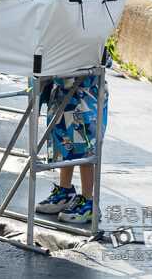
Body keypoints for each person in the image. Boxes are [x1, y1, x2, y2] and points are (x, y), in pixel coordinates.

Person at [35, 65, 108, 223]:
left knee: (85, 148)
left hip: (85, 93)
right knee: (64, 144)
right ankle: (65, 191)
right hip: (61, 90)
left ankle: (89, 202)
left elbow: (101, 58)